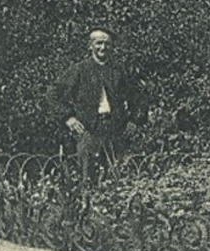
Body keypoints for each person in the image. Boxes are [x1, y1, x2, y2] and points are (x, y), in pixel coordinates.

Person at [48, 29, 142, 185]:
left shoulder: (119, 71)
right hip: (89, 128)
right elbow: (53, 94)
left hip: (115, 127)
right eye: (99, 43)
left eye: (107, 44)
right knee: (88, 176)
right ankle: (88, 203)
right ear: (90, 45)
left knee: (118, 174)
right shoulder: (79, 70)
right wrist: (68, 117)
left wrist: (134, 120)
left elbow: (137, 96)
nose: (103, 48)